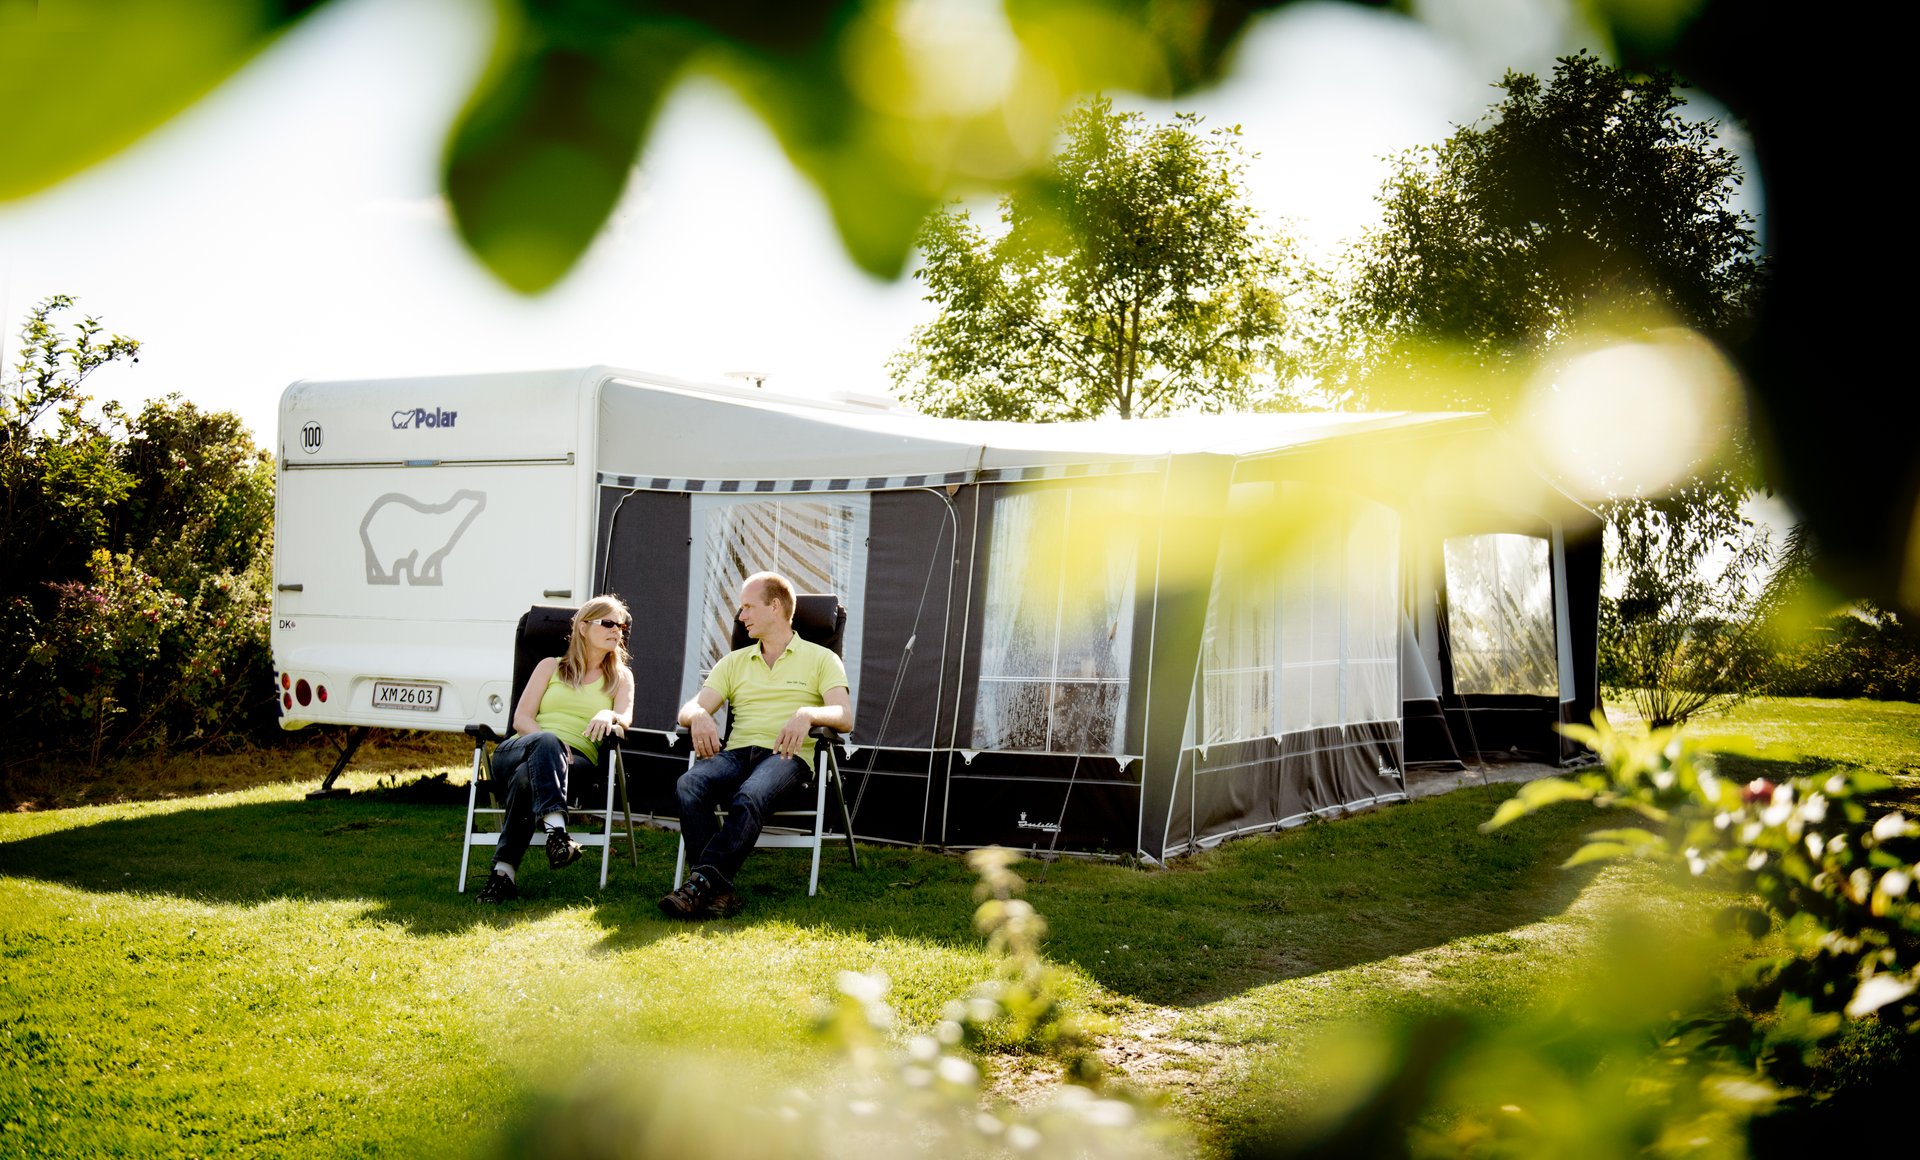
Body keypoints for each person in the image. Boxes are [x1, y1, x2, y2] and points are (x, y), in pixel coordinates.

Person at [660, 571, 853, 918]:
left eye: (748, 607)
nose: (741, 615)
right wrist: (699, 715)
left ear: (775, 607)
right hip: (735, 754)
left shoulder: (822, 658)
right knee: (689, 784)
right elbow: (689, 709)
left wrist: (808, 713)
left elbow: (844, 715)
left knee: (749, 795)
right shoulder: (733, 662)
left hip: (786, 756)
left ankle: (699, 884)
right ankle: (717, 890)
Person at [477, 596, 635, 904]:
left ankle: (503, 874)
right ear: (583, 628)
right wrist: (551, 744)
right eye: (608, 623)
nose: (616, 630)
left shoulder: (620, 677)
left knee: (526, 780)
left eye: (621, 626)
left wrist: (609, 714)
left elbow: (625, 718)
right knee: (546, 743)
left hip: (575, 764)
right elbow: (522, 719)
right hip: (520, 749)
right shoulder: (550, 666)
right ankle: (558, 833)